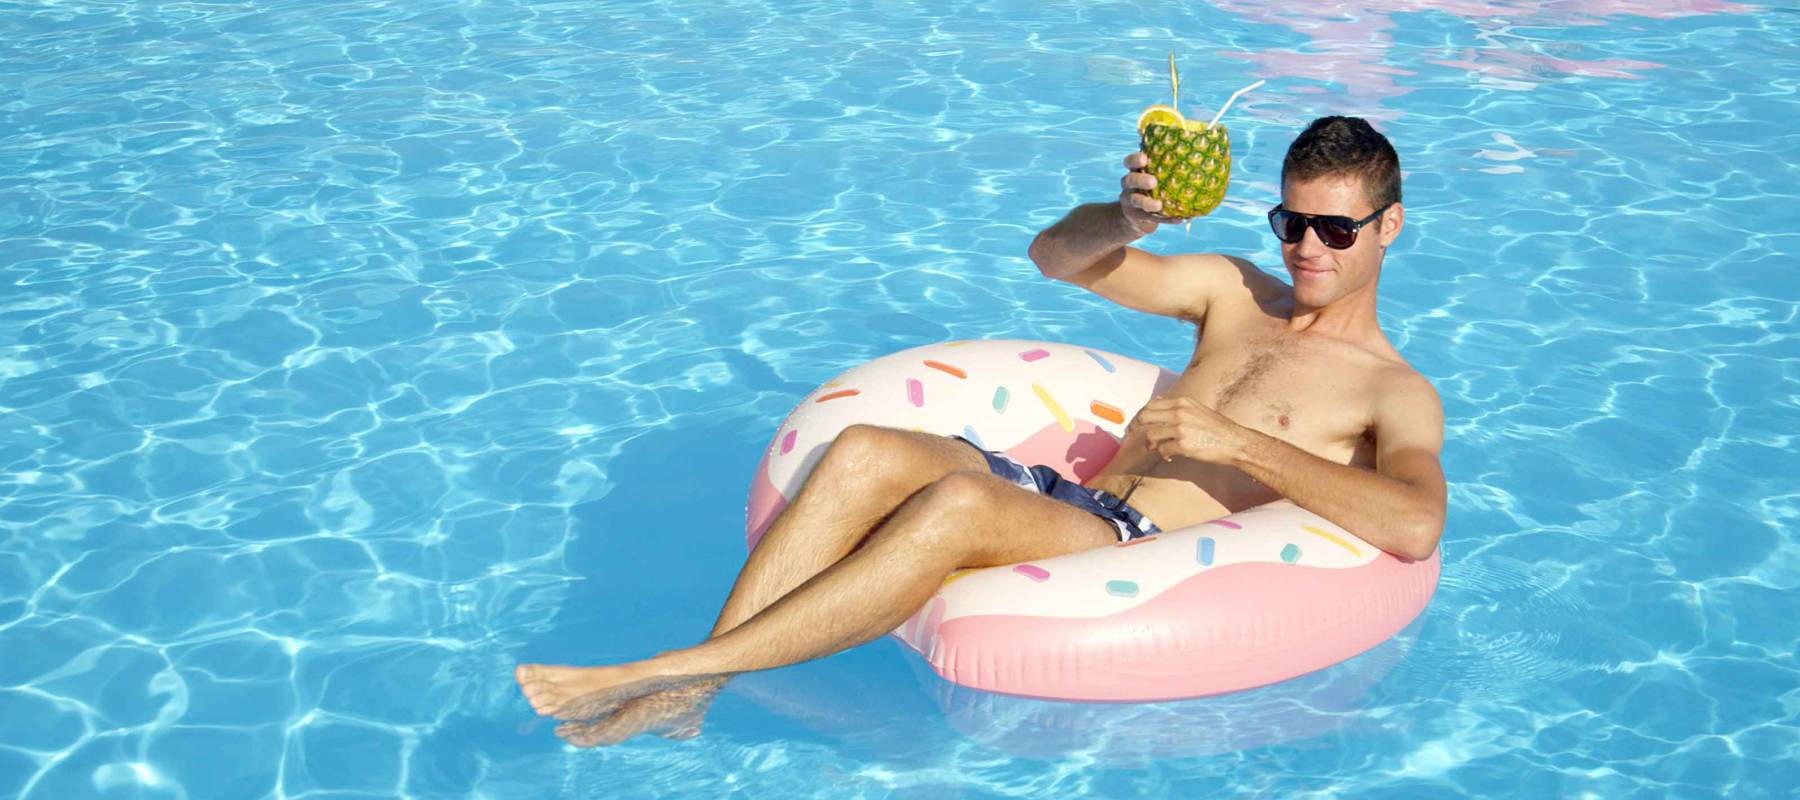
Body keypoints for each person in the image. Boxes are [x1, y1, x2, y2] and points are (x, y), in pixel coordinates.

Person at [515, 116, 1447, 747]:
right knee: (867, 449)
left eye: (1334, 228)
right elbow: (1055, 258)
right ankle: (694, 696)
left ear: (1388, 226)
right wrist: (1122, 218)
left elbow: (1414, 524)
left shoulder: (1393, 391)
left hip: (1135, 543)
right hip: (1064, 498)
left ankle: (679, 670)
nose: (1307, 248)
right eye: (1292, 220)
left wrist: (1237, 444)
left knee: (959, 501)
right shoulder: (1234, 288)